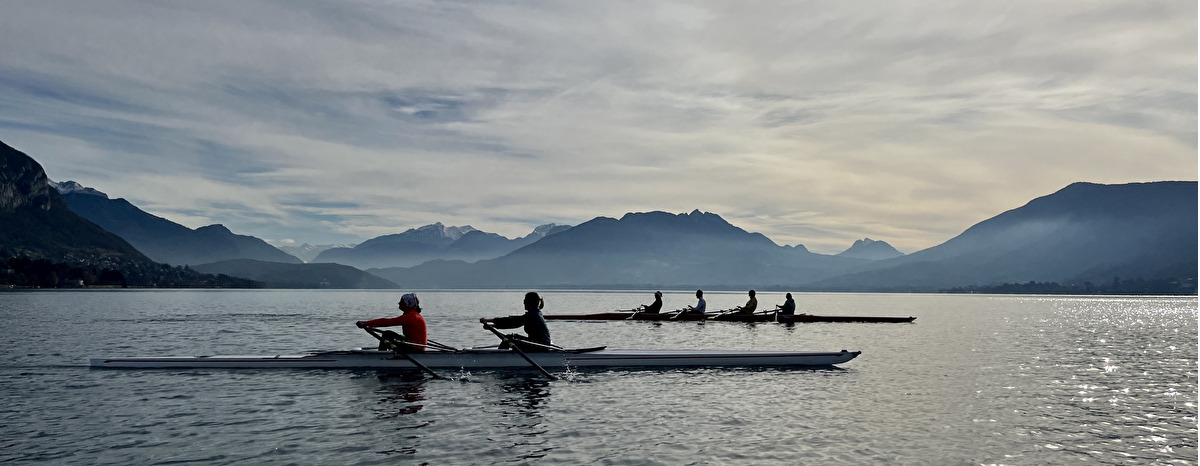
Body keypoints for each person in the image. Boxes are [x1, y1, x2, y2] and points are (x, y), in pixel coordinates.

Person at [480, 291, 552, 351]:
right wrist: (492, 326)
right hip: (540, 344)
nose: (523, 303)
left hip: (540, 347)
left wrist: (489, 320)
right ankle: (502, 356)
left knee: (509, 339)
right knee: (512, 337)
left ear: (529, 302)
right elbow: (514, 322)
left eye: (524, 301)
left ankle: (498, 358)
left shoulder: (533, 315)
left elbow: (513, 322)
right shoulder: (536, 313)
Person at [356, 293, 427, 352]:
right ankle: (382, 353)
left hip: (415, 349)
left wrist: (367, 323)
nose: (398, 303)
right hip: (414, 345)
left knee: (387, 335)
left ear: (407, 304)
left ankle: (380, 356)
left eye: (401, 302)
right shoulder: (414, 315)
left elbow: (387, 322)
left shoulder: (411, 317)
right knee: (388, 334)